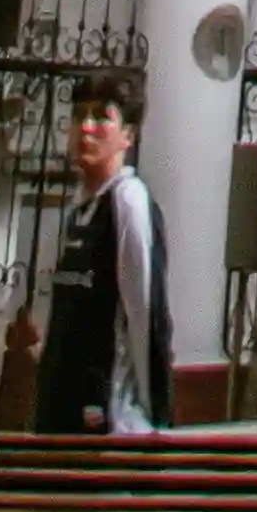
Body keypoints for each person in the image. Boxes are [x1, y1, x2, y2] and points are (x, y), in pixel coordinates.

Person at [32, 70, 172, 434]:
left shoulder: (128, 201)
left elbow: (144, 312)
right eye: (80, 115)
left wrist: (152, 406)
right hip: (60, 403)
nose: (86, 128)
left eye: (101, 117)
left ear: (128, 134)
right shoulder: (74, 210)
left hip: (107, 411)